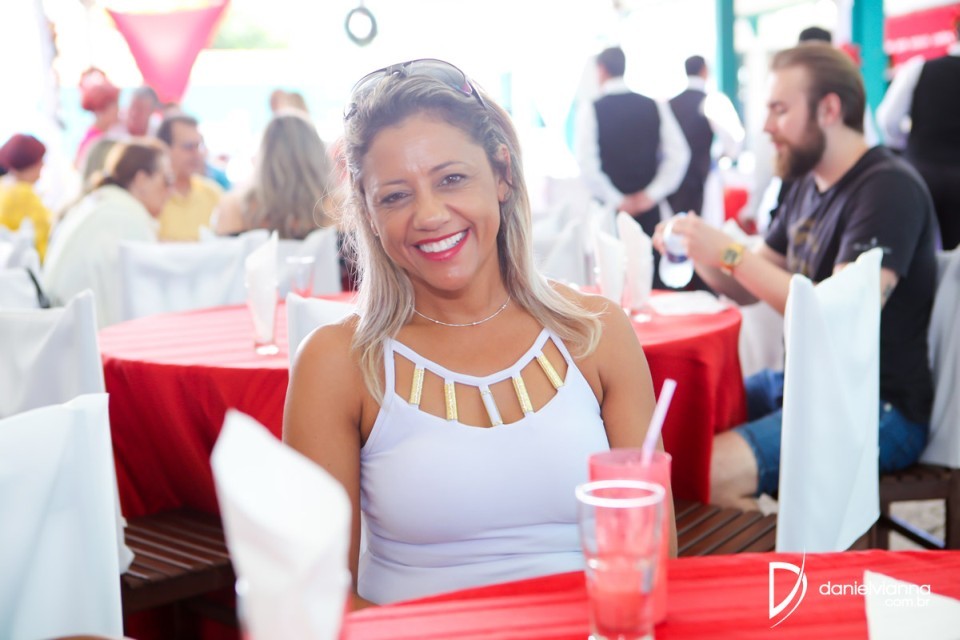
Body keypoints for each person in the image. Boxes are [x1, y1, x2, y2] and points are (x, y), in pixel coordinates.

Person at [283, 58, 674, 607]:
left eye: (451, 179)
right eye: (395, 196)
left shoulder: (596, 333)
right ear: (368, 214)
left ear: (503, 175)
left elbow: (654, 560)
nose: (429, 215)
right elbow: (318, 602)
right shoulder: (337, 363)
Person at [654, 44, 938, 510]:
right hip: (800, 383)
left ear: (829, 109)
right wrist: (698, 248)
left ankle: (789, 551)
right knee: (679, 427)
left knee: (709, 472)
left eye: (780, 110)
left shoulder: (888, 188)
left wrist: (729, 251)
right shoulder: (806, 184)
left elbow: (836, 317)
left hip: (875, 405)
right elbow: (747, 287)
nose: (766, 126)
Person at [575, 46, 689, 288]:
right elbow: (679, 155)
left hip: (611, 212)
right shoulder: (653, 105)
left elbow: (586, 163)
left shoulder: (592, 108)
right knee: (651, 282)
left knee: (612, 282)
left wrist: (617, 199)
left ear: (601, 70)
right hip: (649, 210)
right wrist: (651, 194)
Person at [43, 139, 171, 327]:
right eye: (167, 180)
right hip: (86, 335)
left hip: (61, 327)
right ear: (142, 179)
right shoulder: (126, 218)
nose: (170, 191)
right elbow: (147, 307)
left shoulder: (98, 203)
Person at [876, 18, 960, 250]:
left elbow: (888, 119)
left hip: (920, 171)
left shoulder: (920, 68)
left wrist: (910, 143)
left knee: (914, 247)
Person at [212, 110, 336, 239]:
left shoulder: (235, 207)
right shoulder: (338, 208)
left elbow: (226, 250)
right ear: (317, 154)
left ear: (264, 155)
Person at [667, 55, 744, 224]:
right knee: (705, 225)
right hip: (703, 174)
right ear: (704, 71)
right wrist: (723, 156)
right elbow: (734, 137)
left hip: (674, 181)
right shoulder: (711, 100)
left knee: (676, 227)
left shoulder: (669, 104)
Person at [155, 114, 222, 241]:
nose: (197, 154)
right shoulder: (151, 196)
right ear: (164, 148)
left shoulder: (212, 193)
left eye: (198, 146)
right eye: (188, 147)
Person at [0, 134, 53, 262]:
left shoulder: (4, 185)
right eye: (40, 161)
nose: (43, 165)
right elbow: (43, 241)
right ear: (30, 163)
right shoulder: (23, 194)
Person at [74, 68, 120, 169]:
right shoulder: (94, 139)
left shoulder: (103, 133)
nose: (118, 109)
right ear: (101, 111)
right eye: (114, 105)